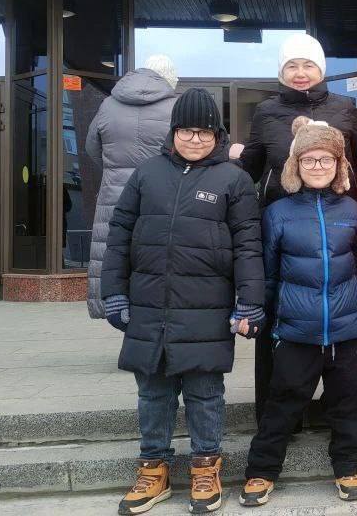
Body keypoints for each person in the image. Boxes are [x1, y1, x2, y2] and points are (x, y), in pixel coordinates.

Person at [101, 88, 264, 515]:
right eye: (187, 131)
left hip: (206, 307)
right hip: (149, 304)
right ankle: (153, 469)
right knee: (152, 393)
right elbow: (118, 236)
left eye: (205, 132)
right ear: (173, 132)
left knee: (205, 393)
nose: (196, 139)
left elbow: (249, 246)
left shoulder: (233, 180)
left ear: (218, 135)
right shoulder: (147, 174)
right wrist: (113, 292)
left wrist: (250, 302)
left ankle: (206, 467)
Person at [239, 117, 357, 507]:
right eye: (309, 159)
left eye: (326, 159)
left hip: (348, 330)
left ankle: (348, 468)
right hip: (296, 331)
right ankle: (261, 471)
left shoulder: (352, 210)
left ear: (339, 165)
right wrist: (255, 313)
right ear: (296, 165)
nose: (318, 166)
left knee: (348, 406)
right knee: (282, 404)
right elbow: (268, 274)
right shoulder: (278, 213)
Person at [228, 33, 357, 427]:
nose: (300, 72)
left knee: (347, 317)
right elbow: (251, 167)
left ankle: (350, 414)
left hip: (338, 228)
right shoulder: (267, 111)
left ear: (321, 69)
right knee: (279, 318)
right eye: (291, 65)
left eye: (308, 64)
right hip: (284, 228)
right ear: (281, 72)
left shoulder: (344, 108)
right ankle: (280, 417)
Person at [85, 55, 179, 319]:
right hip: (161, 194)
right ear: (169, 78)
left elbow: (92, 147)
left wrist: (114, 170)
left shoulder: (108, 104)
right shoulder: (175, 106)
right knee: (157, 257)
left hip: (114, 192)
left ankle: (115, 309)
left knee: (113, 252)